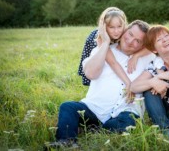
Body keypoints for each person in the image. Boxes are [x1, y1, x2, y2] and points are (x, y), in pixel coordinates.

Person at [45, 20, 155, 149]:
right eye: (130, 34)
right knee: (68, 107)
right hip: (95, 109)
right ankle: (66, 141)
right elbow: (90, 74)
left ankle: (92, 129)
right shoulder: (104, 50)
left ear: (143, 45)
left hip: (126, 111)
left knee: (127, 123)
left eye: (138, 41)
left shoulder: (149, 58)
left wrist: (137, 56)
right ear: (124, 30)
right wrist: (105, 44)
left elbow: (163, 44)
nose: (131, 41)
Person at [77, 7, 149, 95]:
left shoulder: (124, 32)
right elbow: (113, 63)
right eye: (111, 27)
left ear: (124, 26)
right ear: (105, 27)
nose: (116, 31)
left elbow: (152, 47)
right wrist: (128, 84)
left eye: (119, 26)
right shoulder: (101, 39)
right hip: (96, 60)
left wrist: (136, 55)